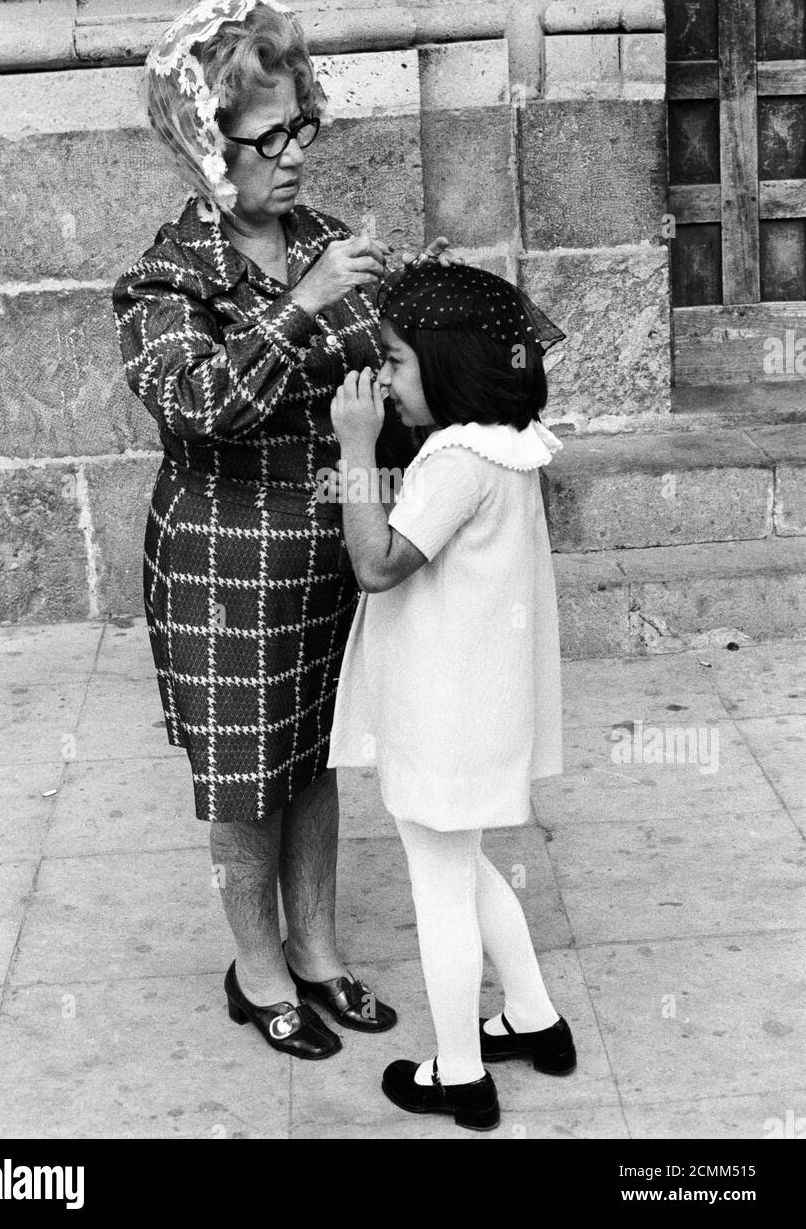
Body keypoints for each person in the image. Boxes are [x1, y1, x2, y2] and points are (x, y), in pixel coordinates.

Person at [112, 0, 454, 1062]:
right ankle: (254, 968)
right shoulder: (165, 278)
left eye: (304, 123)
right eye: (270, 136)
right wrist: (303, 305)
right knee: (245, 778)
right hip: (223, 570)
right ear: (207, 146)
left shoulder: (331, 240)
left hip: (328, 560)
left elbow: (389, 392)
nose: (296, 154)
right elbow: (203, 404)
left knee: (316, 761)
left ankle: (317, 949)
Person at [326, 260, 574, 1129]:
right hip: (476, 702)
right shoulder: (508, 441)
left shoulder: (457, 464)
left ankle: (458, 1074)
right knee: (459, 864)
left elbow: (377, 566)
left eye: (394, 361)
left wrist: (355, 448)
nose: (384, 380)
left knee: (436, 886)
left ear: (446, 361)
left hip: (442, 714)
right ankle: (534, 1018)